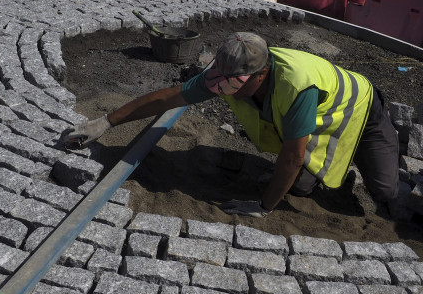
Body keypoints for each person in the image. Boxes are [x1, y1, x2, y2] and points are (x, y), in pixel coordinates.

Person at [65, 32, 399, 217]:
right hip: (316, 116)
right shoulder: (223, 75)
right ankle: (324, 177)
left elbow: (294, 157)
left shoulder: (296, 88)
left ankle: (380, 170)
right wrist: (105, 122)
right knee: (299, 188)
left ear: (261, 74)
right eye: (219, 78)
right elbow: (167, 98)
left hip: (361, 109)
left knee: (384, 191)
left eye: (234, 81)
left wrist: (263, 206)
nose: (223, 88)